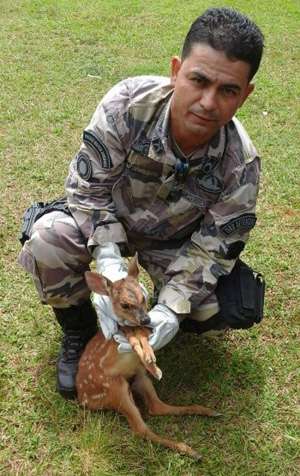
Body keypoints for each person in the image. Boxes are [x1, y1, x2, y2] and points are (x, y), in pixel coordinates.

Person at [19, 7, 265, 399]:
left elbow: (213, 249)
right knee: (49, 239)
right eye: (198, 80)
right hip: (109, 225)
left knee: (222, 306)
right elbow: (88, 189)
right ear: (175, 70)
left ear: (246, 94)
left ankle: (151, 326)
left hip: (172, 243)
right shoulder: (127, 106)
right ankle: (80, 330)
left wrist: (171, 309)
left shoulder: (241, 163)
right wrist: (109, 259)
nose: (207, 102)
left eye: (228, 90)